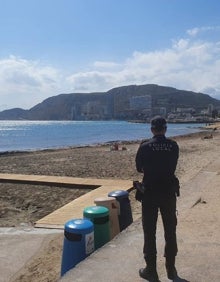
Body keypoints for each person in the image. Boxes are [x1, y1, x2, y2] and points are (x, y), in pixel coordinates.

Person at [135, 116, 180, 282]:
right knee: (170, 230)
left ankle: (151, 271)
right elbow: (172, 165)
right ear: (165, 129)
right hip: (168, 192)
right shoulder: (173, 146)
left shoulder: (145, 146)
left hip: (150, 193)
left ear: (152, 129)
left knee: (150, 231)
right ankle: (171, 269)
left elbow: (139, 168)